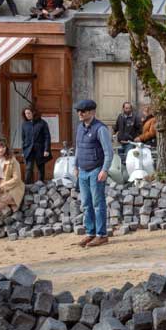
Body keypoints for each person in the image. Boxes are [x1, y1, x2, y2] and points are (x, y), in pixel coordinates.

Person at [74, 100, 114, 248]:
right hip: (83, 170)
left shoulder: (100, 129)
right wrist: (75, 165)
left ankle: (101, 235)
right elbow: (78, 147)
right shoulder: (80, 128)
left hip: (96, 170)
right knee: (86, 204)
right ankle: (90, 233)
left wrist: (104, 169)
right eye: (78, 111)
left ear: (91, 112)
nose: (80, 113)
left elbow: (109, 152)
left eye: (83, 111)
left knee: (98, 203)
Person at [0, 139, 25, 241]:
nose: (0, 149)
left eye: (3, 147)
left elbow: (17, 179)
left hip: (12, 188)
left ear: (6, 148)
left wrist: (1, 186)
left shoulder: (13, 160)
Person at [21, 107, 51, 184]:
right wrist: (23, 151)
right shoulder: (24, 124)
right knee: (28, 168)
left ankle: (41, 184)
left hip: (40, 149)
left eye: (29, 113)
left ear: (33, 113)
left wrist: (46, 149)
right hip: (29, 150)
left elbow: (47, 137)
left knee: (40, 167)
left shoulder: (42, 123)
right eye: (26, 114)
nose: (27, 115)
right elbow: (23, 139)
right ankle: (27, 185)